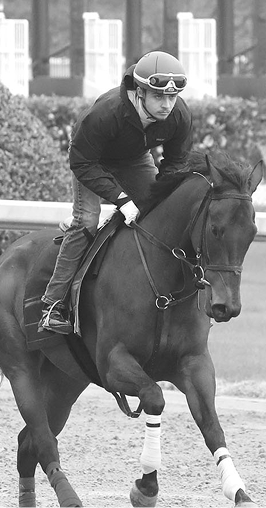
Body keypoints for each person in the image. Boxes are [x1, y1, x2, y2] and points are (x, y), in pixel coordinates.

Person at [39, 50, 194, 334]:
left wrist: (162, 199)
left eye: (172, 97)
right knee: (87, 220)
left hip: (134, 158)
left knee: (159, 213)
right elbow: (81, 162)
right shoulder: (106, 113)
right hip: (91, 159)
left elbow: (175, 165)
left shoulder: (179, 115)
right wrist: (122, 199)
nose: (167, 105)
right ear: (139, 92)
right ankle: (53, 305)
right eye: (159, 96)